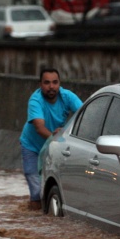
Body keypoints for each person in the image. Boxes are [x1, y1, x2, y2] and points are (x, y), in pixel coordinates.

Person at [19, 68, 83, 210]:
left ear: (59, 83)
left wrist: (66, 131)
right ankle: (35, 216)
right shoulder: (35, 100)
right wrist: (58, 139)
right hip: (32, 146)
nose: (51, 86)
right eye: (47, 83)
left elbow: (85, 115)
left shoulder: (67, 97)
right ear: (40, 84)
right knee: (35, 188)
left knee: (57, 184)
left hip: (54, 145)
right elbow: (39, 127)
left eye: (55, 82)